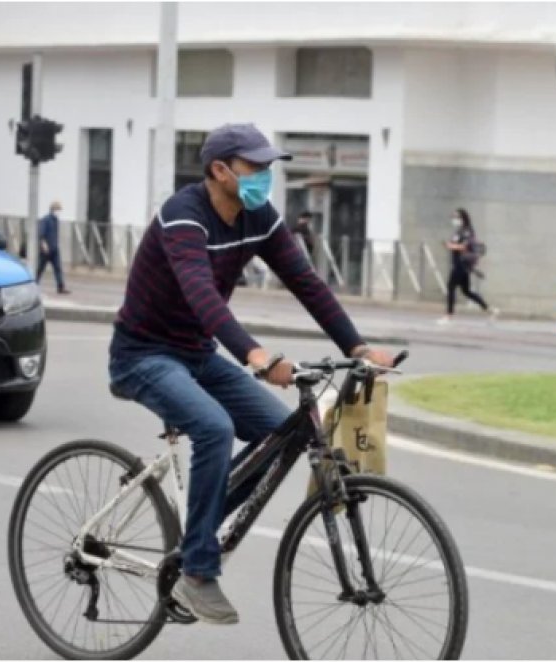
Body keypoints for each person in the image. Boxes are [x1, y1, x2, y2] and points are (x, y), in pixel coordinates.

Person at [108, 123, 395, 625]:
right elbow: (201, 296)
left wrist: (358, 346)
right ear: (219, 170)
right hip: (143, 353)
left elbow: (306, 282)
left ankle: (198, 528)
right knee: (214, 428)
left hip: (196, 353)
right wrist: (255, 356)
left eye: (268, 166)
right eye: (255, 167)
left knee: (279, 433)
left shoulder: (257, 215)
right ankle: (198, 570)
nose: (265, 176)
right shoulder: (184, 216)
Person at [439, 208, 499, 325]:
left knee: (451, 287)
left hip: (461, 264)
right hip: (458, 263)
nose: (454, 220)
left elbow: (464, 246)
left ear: (463, 218)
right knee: (466, 291)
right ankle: (490, 310)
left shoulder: (467, 231)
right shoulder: (458, 231)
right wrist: (450, 245)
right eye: (453, 217)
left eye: (457, 217)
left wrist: (450, 246)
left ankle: (448, 315)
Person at [36, 201, 68, 294]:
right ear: (53, 209)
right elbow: (41, 234)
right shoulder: (46, 220)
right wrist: (43, 244)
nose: (59, 212)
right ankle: (34, 284)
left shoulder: (56, 220)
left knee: (58, 268)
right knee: (40, 268)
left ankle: (60, 287)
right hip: (46, 249)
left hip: (54, 248)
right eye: (58, 210)